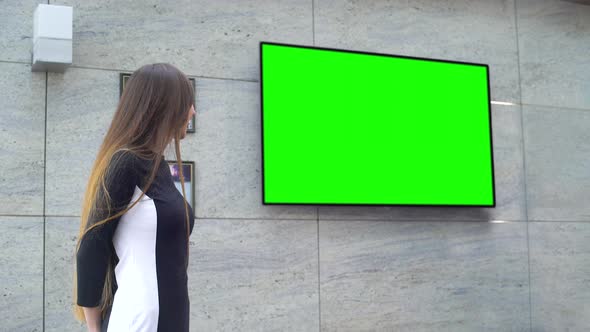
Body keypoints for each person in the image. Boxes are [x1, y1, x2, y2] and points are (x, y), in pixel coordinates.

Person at [72, 63, 197, 332]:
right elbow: (91, 247)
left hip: (170, 320)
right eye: (188, 103)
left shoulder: (158, 165)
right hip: (138, 322)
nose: (193, 112)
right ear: (165, 106)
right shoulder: (126, 162)